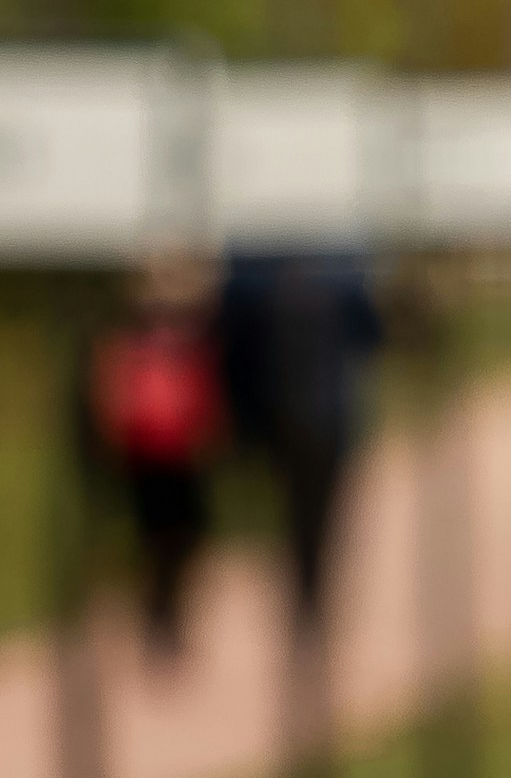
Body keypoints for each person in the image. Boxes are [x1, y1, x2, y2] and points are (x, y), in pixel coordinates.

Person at [212, 251, 383, 632]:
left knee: (304, 508)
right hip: (316, 417)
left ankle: (308, 592)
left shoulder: (260, 269)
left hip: (296, 417)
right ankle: (309, 592)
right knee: (314, 508)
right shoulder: (340, 269)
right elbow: (372, 335)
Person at [86, 265, 225, 657]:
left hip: (173, 453)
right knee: (163, 539)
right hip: (152, 452)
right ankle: (160, 613)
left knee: (175, 539)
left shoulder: (181, 338)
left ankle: (163, 611)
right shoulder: (146, 340)